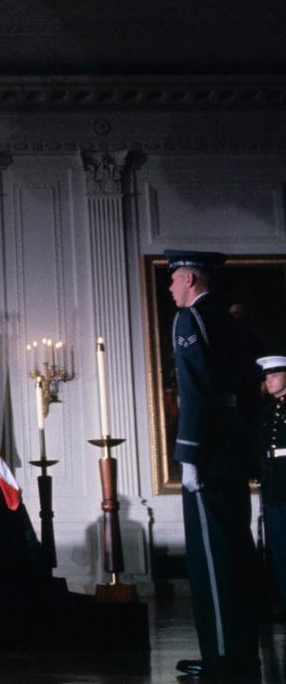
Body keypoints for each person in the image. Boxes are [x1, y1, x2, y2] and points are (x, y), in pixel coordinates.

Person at [166, 249, 260, 681]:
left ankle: (224, 656)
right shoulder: (228, 319)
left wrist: (188, 453)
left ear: (189, 278)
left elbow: (196, 387)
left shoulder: (193, 320)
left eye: (174, 279)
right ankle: (240, 650)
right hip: (232, 448)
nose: (169, 287)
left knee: (213, 557)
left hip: (208, 450)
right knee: (236, 551)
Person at [257, 355, 286, 605]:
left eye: (275, 375)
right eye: (267, 377)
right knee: (279, 547)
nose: (270, 381)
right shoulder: (265, 413)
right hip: (274, 485)